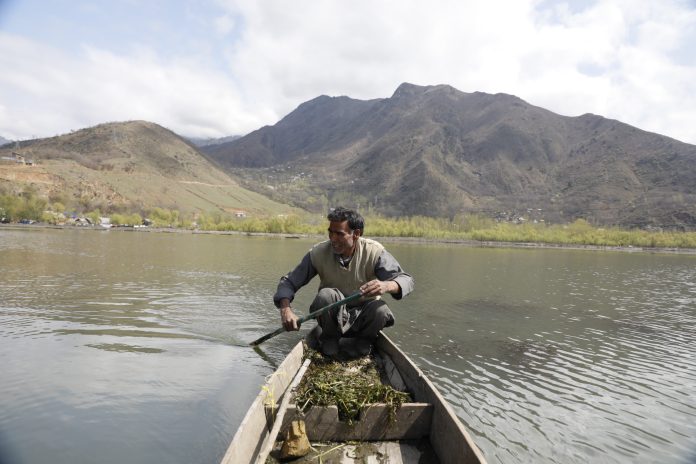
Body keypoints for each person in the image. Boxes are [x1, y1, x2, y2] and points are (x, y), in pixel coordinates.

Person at [274, 207, 414, 359]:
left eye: (339, 234)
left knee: (381, 310)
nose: (333, 239)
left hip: (364, 318)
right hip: (331, 319)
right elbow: (289, 282)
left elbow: (406, 280)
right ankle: (329, 339)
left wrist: (386, 285)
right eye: (331, 232)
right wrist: (285, 310)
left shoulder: (374, 252)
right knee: (325, 296)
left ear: (357, 234)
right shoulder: (318, 253)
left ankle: (364, 341)